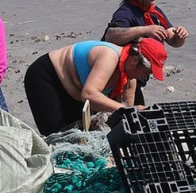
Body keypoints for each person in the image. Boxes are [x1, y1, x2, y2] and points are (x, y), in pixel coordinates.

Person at [23, 38, 167, 136]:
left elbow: (126, 117)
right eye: (146, 72)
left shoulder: (130, 79)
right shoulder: (109, 56)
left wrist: (134, 112)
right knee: (57, 136)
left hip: (75, 90)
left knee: (78, 136)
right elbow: (89, 95)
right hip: (48, 77)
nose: (144, 77)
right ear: (134, 60)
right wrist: (128, 109)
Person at [103, 0, 188, 104]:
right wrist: (144, 30)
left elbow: (173, 40)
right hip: (118, 79)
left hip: (138, 76)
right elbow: (111, 36)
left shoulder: (155, 12)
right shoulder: (125, 13)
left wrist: (180, 35)